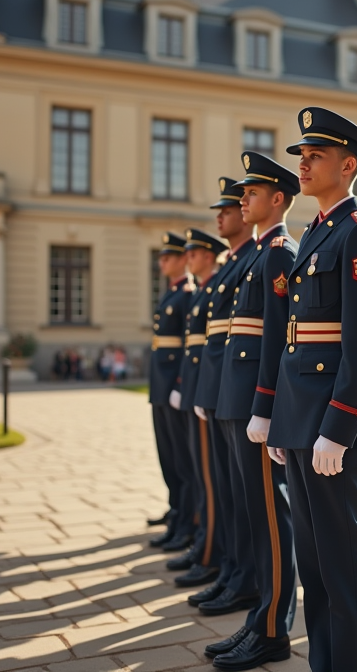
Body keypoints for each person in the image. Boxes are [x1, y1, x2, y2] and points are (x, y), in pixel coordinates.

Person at [267, 107, 357, 672]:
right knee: (312, 566)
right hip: (300, 420)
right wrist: (281, 420)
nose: (304, 164)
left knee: (342, 564)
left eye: (314, 156)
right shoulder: (318, 231)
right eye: (302, 155)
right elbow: (296, 337)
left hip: (329, 426)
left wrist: (339, 427)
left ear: (347, 165)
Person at [210, 152, 301, 670]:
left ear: (278, 200)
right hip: (240, 401)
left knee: (271, 518)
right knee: (255, 515)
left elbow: (276, 340)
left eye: (252, 192)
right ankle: (260, 619)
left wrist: (265, 408)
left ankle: (273, 629)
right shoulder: (260, 254)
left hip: (256, 407)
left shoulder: (280, 254)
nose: (242, 199)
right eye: (243, 193)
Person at [195, 179, 260, 631]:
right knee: (232, 491)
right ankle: (236, 572)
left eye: (236, 204)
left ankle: (247, 580)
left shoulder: (264, 256)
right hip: (224, 391)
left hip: (245, 393)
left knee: (251, 499)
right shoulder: (234, 263)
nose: (226, 212)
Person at [171, 227, 228, 589]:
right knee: (201, 473)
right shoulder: (207, 289)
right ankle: (205, 546)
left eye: (193, 252)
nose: (186, 258)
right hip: (197, 387)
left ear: (208, 255)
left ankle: (210, 552)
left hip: (211, 390)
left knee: (211, 478)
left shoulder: (212, 285)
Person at [148, 233, 195, 550]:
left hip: (174, 384)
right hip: (160, 385)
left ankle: (185, 518)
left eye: (167, 257)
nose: (161, 262)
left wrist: (180, 384)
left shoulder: (187, 294)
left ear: (182, 259)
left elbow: (189, 347)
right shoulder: (171, 294)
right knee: (167, 456)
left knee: (181, 459)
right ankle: (175, 508)